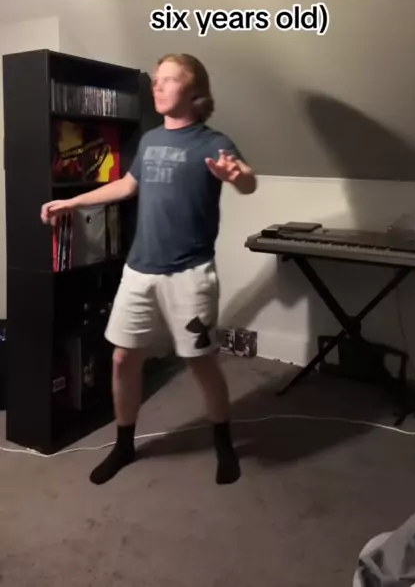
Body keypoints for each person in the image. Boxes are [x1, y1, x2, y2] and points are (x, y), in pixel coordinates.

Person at [41, 53, 257, 486]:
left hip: (190, 275)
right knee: (123, 359)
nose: (157, 86)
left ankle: (223, 441)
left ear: (195, 93)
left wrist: (236, 174)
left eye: (169, 80)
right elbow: (128, 184)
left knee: (199, 361)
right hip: (139, 271)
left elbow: (247, 181)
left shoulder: (213, 142)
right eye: (157, 79)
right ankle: (124, 445)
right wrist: (72, 201)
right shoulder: (151, 139)